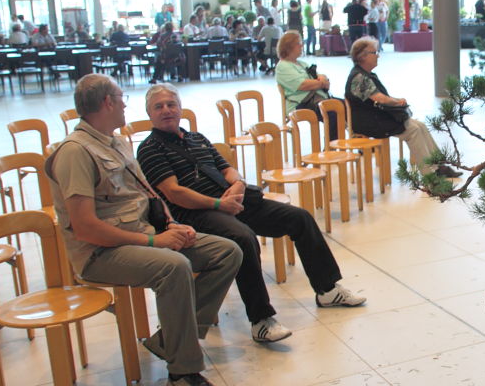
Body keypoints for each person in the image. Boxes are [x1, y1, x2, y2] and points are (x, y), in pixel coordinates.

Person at [45, 74, 241, 386]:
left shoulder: (115, 142)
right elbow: (85, 228)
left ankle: (169, 339)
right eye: (121, 97)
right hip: (101, 253)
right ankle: (183, 375)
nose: (125, 104)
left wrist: (172, 225)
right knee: (174, 267)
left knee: (226, 251)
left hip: (140, 235)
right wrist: (155, 242)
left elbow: (147, 195)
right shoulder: (75, 152)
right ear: (107, 102)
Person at [137, 84, 364, 344]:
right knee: (243, 237)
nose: (166, 110)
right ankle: (261, 320)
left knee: (299, 217)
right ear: (149, 113)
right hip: (195, 213)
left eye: (171, 104)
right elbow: (174, 192)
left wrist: (238, 185)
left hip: (230, 201)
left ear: (180, 108)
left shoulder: (196, 138)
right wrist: (218, 204)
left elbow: (228, 170)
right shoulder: (149, 149)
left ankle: (327, 290)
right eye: (159, 107)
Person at [345, 36, 461, 178]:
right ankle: (429, 175)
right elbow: (380, 98)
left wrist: (396, 101)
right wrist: (397, 101)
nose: (378, 56)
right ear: (362, 56)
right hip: (367, 123)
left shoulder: (365, 75)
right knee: (413, 130)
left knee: (420, 125)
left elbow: (380, 98)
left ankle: (440, 166)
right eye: (374, 53)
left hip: (375, 118)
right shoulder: (358, 77)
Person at [275, 30, 338, 140]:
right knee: (332, 112)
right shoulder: (283, 66)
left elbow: (320, 76)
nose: (302, 46)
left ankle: (349, 140)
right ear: (289, 46)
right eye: (298, 43)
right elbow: (303, 85)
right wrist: (321, 82)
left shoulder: (301, 63)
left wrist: (321, 80)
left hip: (316, 99)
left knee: (345, 105)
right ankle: (330, 146)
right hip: (300, 103)